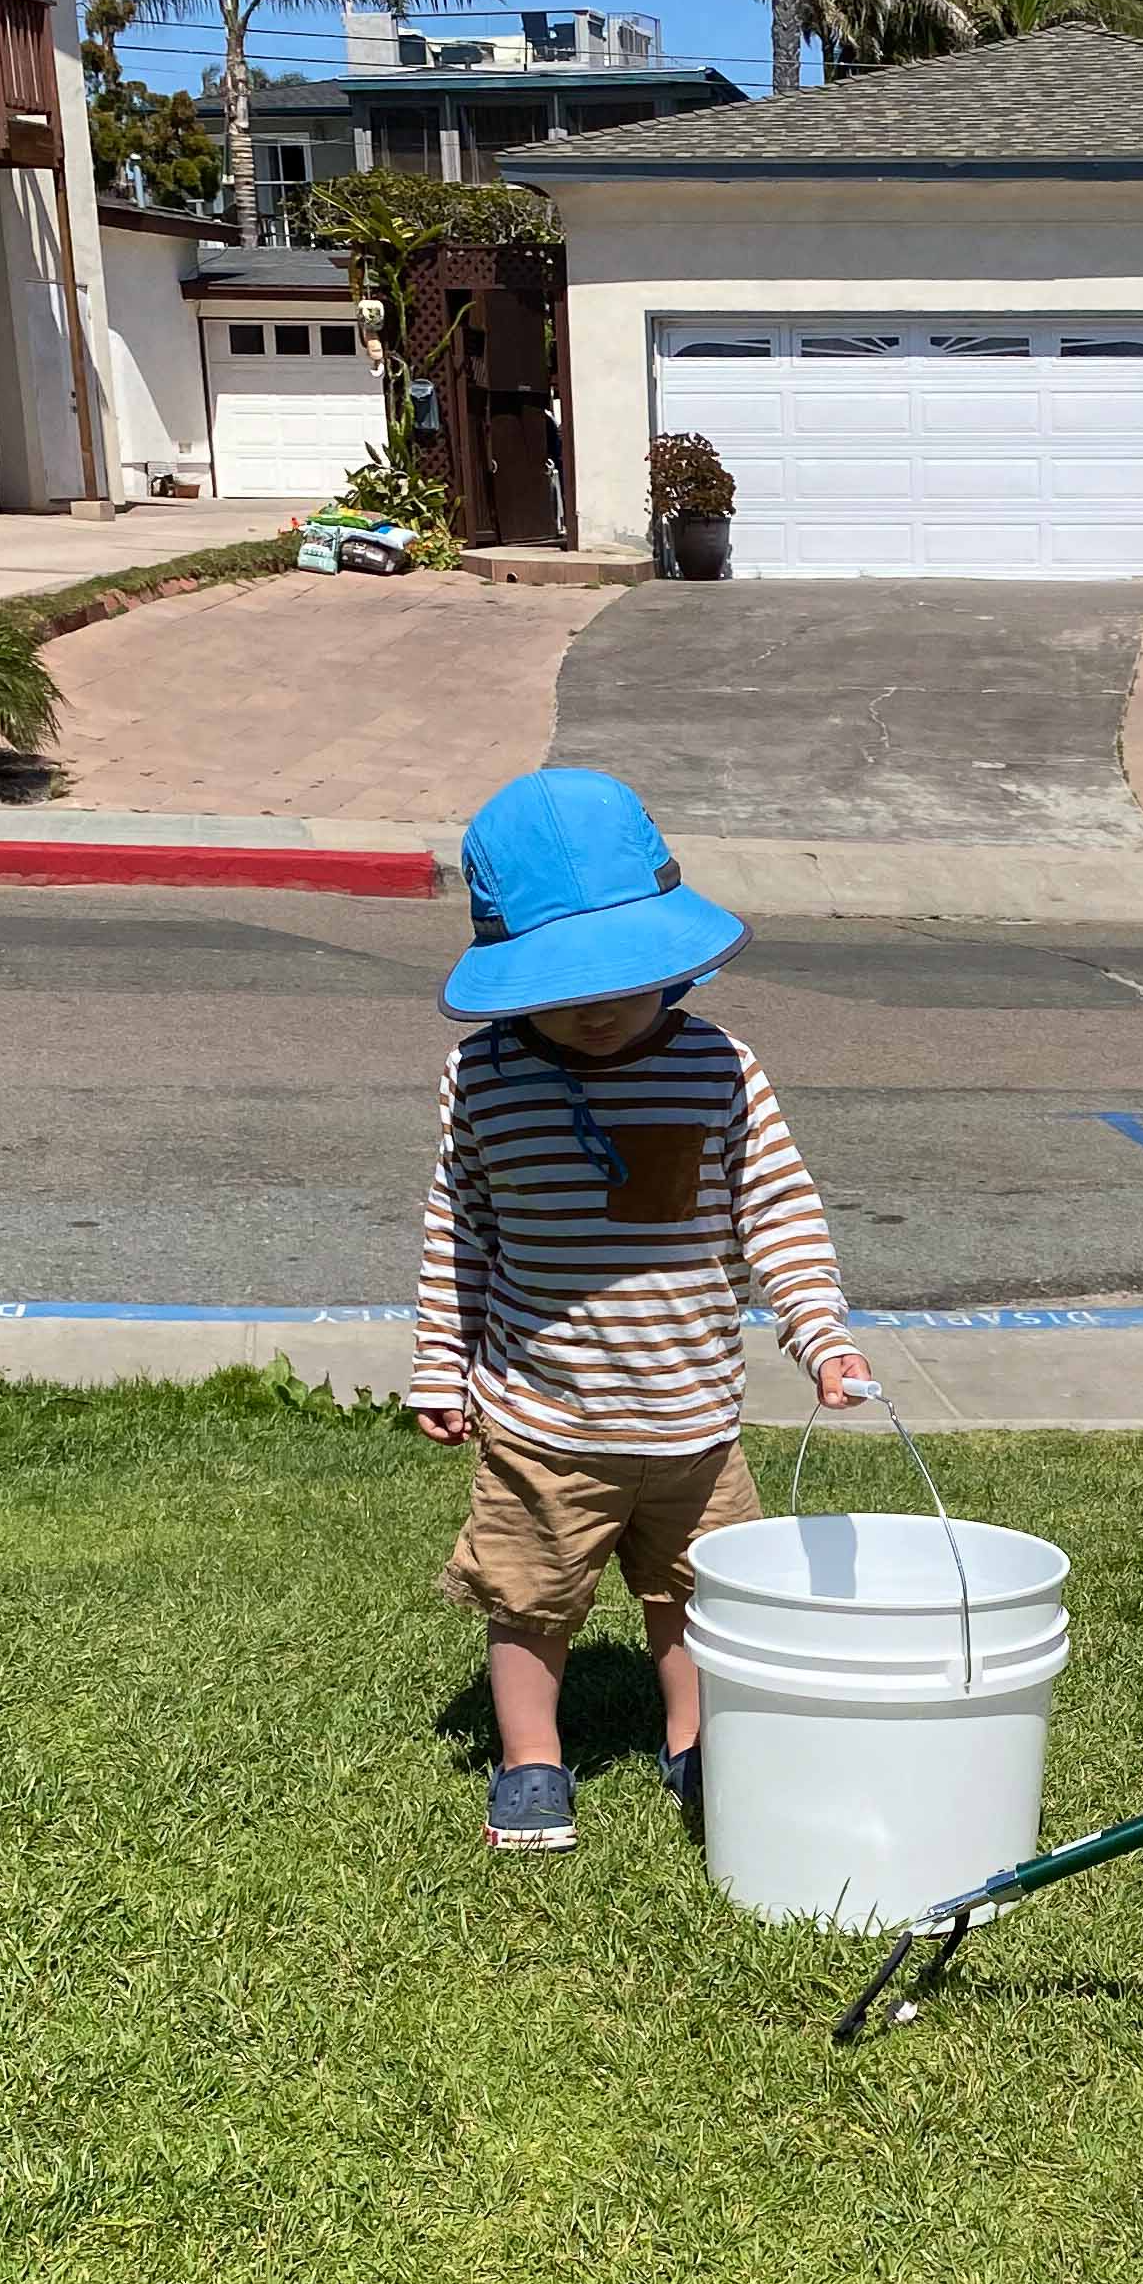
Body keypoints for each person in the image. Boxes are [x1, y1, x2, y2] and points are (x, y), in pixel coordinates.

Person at [409, 768, 869, 1857]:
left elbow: (780, 1218)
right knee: (529, 1601)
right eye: (567, 985)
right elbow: (458, 1223)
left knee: (696, 1600)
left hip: (695, 1422)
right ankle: (532, 1758)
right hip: (542, 1420)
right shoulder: (483, 1077)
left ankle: (696, 1740)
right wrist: (440, 1359)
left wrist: (822, 1337)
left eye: (623, 975)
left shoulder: (718, 1068)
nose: (598, 1003)